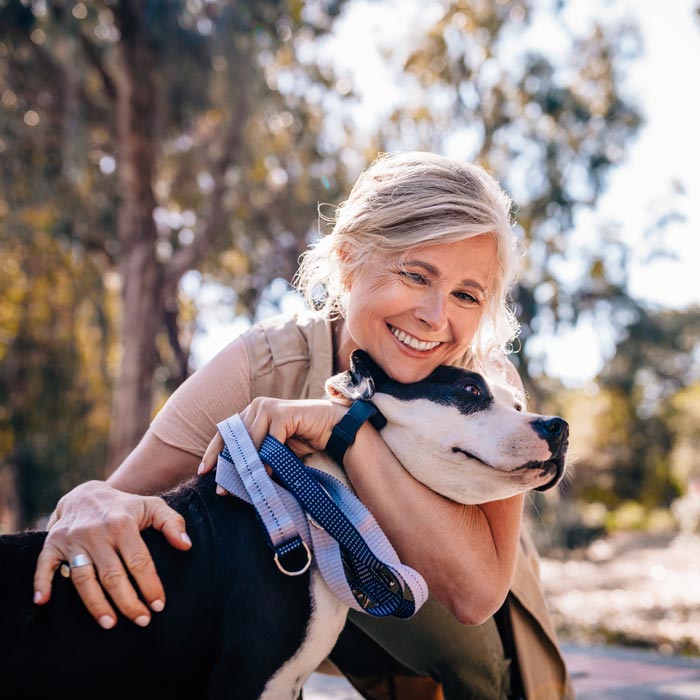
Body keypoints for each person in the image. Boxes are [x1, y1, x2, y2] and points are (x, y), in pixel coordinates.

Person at [33, 152, 573, 700]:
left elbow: (475, 595)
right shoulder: (267, 363)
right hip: (293, 602)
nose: (436, 318)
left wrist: (346, 430)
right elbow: (114, 500)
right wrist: (86, 502)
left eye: (466, 294)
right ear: (347, 260)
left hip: (455, 636)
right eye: (415, 275)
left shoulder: (489, 387)